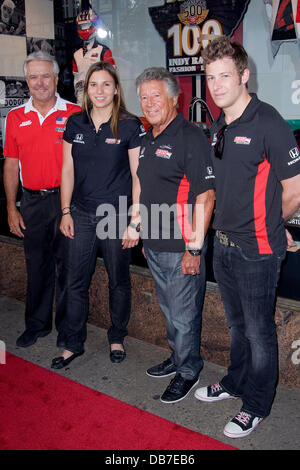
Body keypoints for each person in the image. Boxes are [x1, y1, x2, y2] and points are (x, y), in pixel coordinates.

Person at [194, 36, 300, 438]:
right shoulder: (221, 122)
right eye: (210, 78)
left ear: (244, 75)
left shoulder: (268, 122)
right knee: (237, 327)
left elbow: (294, 190)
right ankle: (236, 382)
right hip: (224, 245)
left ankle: (257, 404)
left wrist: (272, 226)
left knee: (258, 331)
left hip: (258, 250)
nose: (217, 85)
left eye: (225, 76)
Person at [51, 61, 143, 369]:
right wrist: (65, 211)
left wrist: (135, 221)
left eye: (106, 84)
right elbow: (67, 170)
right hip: (80, 213)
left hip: (116, 217)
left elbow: (137, 175)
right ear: (86, 90)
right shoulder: (74, 124)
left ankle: (116, 336)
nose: (99, 90)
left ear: (116, 89)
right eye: (93, 85)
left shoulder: (130, 125)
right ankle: (71, 343)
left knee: (118, 280)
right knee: (74, 280)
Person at [135, 67, 215, 403]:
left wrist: (193, 250)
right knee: (170, 311)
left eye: (156, 96)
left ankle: (188, 370)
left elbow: (206, 196)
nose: (150, 103)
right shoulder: (147, 138)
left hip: (182, 246)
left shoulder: (190, 137)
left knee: (183, 315)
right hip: (155, 244)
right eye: (144, 97)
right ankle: (178, 357)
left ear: (174, 99)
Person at [3, 51, 80, 348]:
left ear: (57, 78)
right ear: (26, 81)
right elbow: (11, 163)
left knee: (68, 269)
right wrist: (12, 207)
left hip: (67, 204)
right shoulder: (15, 117)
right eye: (33, 77)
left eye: (46, 75)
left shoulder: (75, 113)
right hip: (32, 203)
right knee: (36, 267)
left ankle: (66, 329)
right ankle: (36, 325)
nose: (40, 82)